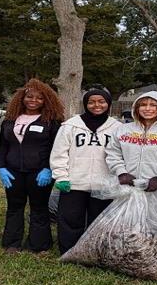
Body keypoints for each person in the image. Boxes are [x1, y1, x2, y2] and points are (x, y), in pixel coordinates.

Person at [51, 86, 122, 254]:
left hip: (103, 184)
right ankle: (69, 251)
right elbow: (59, 153)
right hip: (74, 182)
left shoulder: (117, 127)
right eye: (91, 102)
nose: (96, 105)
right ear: (85, 104)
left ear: (108, 104)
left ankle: (95, 252)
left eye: (101, 101)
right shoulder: (70, 126)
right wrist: (61, 177)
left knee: (99, 220)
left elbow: (122, 155)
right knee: (70, 219)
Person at [0, 78, 63, 253]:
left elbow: (57, 147)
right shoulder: (10, 119)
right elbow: (3, 145)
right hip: (12, 171)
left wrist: (49, 168)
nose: (33, 101)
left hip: (40, 172)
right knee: (14, 206)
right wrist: (1, 167)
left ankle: (39, 244)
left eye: (39, 98)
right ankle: (12, 243)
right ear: (21, 98)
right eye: (29, 97)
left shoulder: (51, 121)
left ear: (46, 101)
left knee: (39, 207)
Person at [105, 90, 157, 213]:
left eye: (153, 105)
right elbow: (113, 153)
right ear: (136, 108)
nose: (147, 108)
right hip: (128, 185)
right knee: (128, 222)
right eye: (143, 105)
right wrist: (121, 173)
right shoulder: (122, 130)